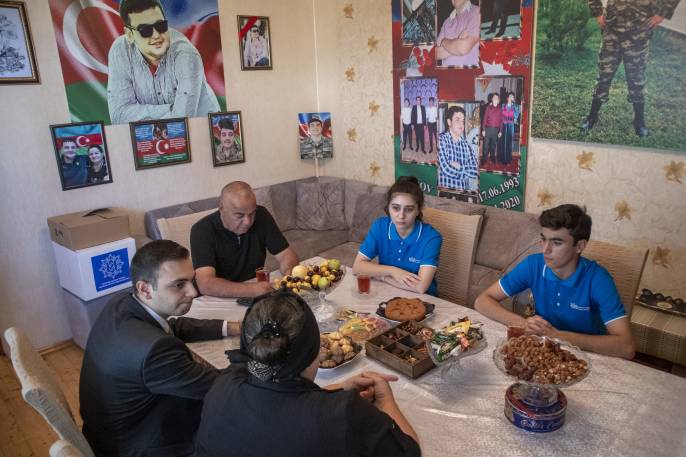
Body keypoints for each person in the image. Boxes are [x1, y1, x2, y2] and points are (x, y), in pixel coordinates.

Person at [195, 290, 421, 457]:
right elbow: (409, 451)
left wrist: (336, 388)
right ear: (314, 350)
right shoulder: (343, 413)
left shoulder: (224, 382)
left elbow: (280, 403)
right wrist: (385, 401)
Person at [79, 240, 241, 457]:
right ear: (145, 289)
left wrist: (231, 327)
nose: (193, 292)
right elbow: (221, 387)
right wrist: (264, 359)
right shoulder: (155, 351)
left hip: (111, 433)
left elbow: (169, 325)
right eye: (179, 285)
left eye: (191, 280)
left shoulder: (122, 304)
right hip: (146, 447)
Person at [474, 204, 635, 360]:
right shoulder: (533, 265)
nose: (545, 250)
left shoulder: (598, 279)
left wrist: (557, 336)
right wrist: (523, 324)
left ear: (579, 246)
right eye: (543, 239)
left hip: (589, 357)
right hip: (542, 351)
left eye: (557, 243)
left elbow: (626, 347)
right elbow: (482, 301)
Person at [107, 0, 220, 124]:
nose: (156, 35)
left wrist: (139, 115)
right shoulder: (120, 51)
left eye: (161, 26)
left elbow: (182, 121)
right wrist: (172, 108)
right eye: (145, 30)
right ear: (130, 34)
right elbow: (119, 116)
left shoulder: (186, 54)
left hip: (205, 127)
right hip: (156, 133)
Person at [580, 0, 681, 138]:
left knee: (637, 78)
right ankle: (592, 117)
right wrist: (597, 11)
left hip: (639, 29)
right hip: (613, 27)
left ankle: (639, 121)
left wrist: (662, 13)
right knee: (604, 74)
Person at [190, 181, 299, 298]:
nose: (248, 222)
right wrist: (253, 290)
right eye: (239, 215)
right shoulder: (201, 230)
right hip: (217, 296)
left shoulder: (261, 215)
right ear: (221, 208)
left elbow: (286, 255)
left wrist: (289, 275)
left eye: (251, 214)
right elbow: (205, 284)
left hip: (254, 290)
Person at [353, 176, 442, 295]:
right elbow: (357, 268)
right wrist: (393, 271)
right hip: (387, 292)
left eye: (409, 209)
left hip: (422, 298)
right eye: (396, 208)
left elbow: (421, 287)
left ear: (418, 210)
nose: (401, 216)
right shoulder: (380, 226)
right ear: (388, 207)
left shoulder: (432, 238)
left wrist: (381, 276)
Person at [438, 106, 479, 192]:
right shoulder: (441, 140)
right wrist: (466, 171)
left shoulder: (466, 145)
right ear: (449, 122)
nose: (461, 124)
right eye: (457, 120)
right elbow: (446, 169)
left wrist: (459, 166)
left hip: (462, 194)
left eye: (463, 121)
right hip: (444, 193)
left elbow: (476, 171)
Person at [436, 0, 480, 67]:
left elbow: (463, 48)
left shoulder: (476, 11)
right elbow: (436, 53)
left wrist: (444, 41)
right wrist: (457, 43)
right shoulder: (447, 21)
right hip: (446, 72)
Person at [481, 93, 502, 165]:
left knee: (493, 145)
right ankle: (484, 158)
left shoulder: (500, 109)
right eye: (494, 98)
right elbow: (484, 119)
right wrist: (483, 130)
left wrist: (500, 131)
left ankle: (492, 157)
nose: (495, 99)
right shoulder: (488, 108)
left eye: (497, 98)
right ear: (492, 99)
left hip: (496, 130)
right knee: (486, 145)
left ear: (498, 100)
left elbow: (501, 121)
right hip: (488, 129)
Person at [499, 92, 519, 165]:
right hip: (503, 125)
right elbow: (500, 114)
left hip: (511, 125)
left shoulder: (515, 106)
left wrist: (514, 106)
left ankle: (508, 159)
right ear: (507, 98)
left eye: (512, 97)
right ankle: (503, 158)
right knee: (503, 142)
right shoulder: (503, 105)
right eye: (510, 96)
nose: (511, 98)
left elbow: (516, 115)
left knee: (509, 142)